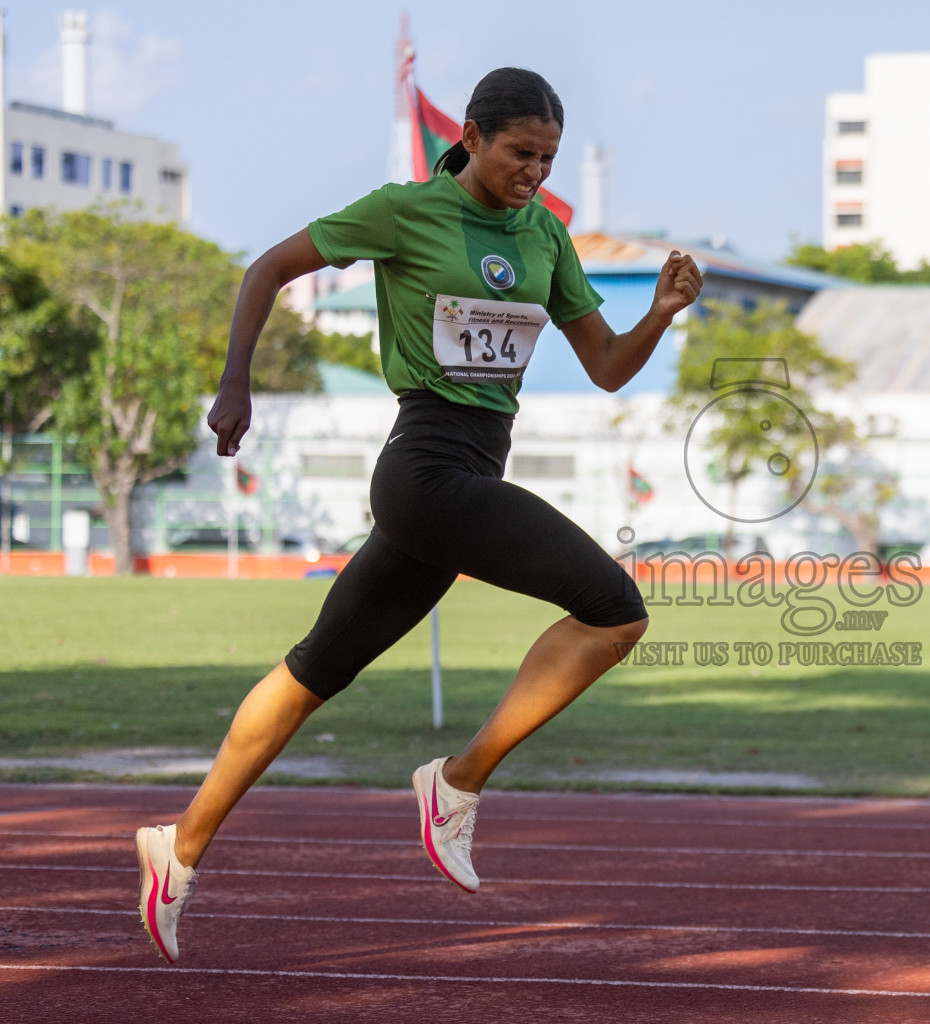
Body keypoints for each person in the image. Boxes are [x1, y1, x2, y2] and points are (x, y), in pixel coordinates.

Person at [134, 67, 701, 964]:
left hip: (471, 472)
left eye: (547, 159)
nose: (533, 173)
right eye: (520, 153)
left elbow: (606, 367)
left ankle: (180, 848)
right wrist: (235, 381)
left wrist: (662, 314)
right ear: (471, 137)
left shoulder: (547, 238)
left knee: (315, 669)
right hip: (425, 472)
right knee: (617, 610)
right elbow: (269, 268)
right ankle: (458, 780)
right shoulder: (405, 211)